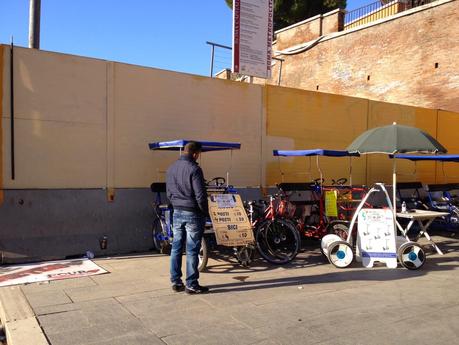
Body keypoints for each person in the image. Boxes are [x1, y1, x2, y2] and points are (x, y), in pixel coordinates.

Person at [166, 141, 210, 294]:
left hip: (177, 211)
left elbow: (169, 193)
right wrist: (205, 212)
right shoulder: (195, 169)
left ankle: (176, 282)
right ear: (194, 153)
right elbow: (200, 195)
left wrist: (176, 204)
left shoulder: (171, 168)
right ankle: (191, 284)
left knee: (176, 247)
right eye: (198, 154)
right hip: (193, 212)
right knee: (192, 249)